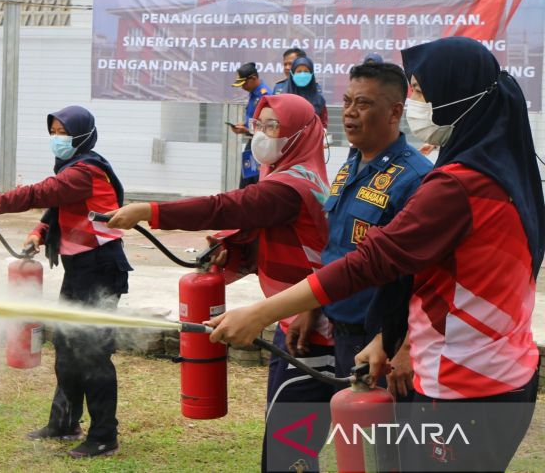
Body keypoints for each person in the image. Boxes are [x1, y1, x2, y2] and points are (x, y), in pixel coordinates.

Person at [208, 36, 543, 472]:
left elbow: (372, 261)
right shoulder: (505, 172)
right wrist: (390, 339)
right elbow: (436, 273)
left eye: (421, 92)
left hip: (462, 387)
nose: (415, 102)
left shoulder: (457, 185)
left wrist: (261, 312)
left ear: (457, 97)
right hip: (502, 374)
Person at [106, 94, 334, 472]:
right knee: (282, 438)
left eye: (274, 126)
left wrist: (151, 210)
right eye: (260, 125)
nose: (262, 134)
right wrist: (237, 250)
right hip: (294, 320)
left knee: (290, 448)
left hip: (317, 331)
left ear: (299, 133)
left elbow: (225, 206)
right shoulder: (287, 175)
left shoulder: (290, 186)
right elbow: (286, 243)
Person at [0, 105, 131, 459]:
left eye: (64, 132)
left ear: (83, 134)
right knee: (68, 350)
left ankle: (104, 436)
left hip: (100, 269)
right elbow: (55, 207)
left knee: (93, 355)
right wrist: (40, 232)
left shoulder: (85, 171)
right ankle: (65, 422)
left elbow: (41, 193)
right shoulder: (73, 170)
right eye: (53, 131)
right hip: (79, 269)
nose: (57, 138)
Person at [309, 62, 431, 392]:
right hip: (337, 327)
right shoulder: (352, 164)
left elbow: (423, 277)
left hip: (379, 340)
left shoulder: (415, 179)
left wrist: (399, 343)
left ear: (394, 112)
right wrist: (312, 307)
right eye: (347, 102)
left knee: (379, 440)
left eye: (362, 104)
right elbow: (336, 247)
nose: (349, 113)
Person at [230, 62, 271, 188]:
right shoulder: (253, 94)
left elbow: (268, 126)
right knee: (245, 184)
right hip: (251, 145)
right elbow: (253, 118)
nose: (242, 87)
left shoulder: (265, 96)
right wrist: (244, 125)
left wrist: (246, 130)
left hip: (262, 146)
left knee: (255, 186)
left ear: (253, 78)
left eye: (244, 83)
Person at [281, 56, 329, 129]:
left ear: (312, 74)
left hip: (313, 139)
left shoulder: (319, 99)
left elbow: (323, 124)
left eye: (306, 71)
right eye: (299, 71)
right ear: (292, 73)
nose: (302, 75)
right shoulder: (283, 98)